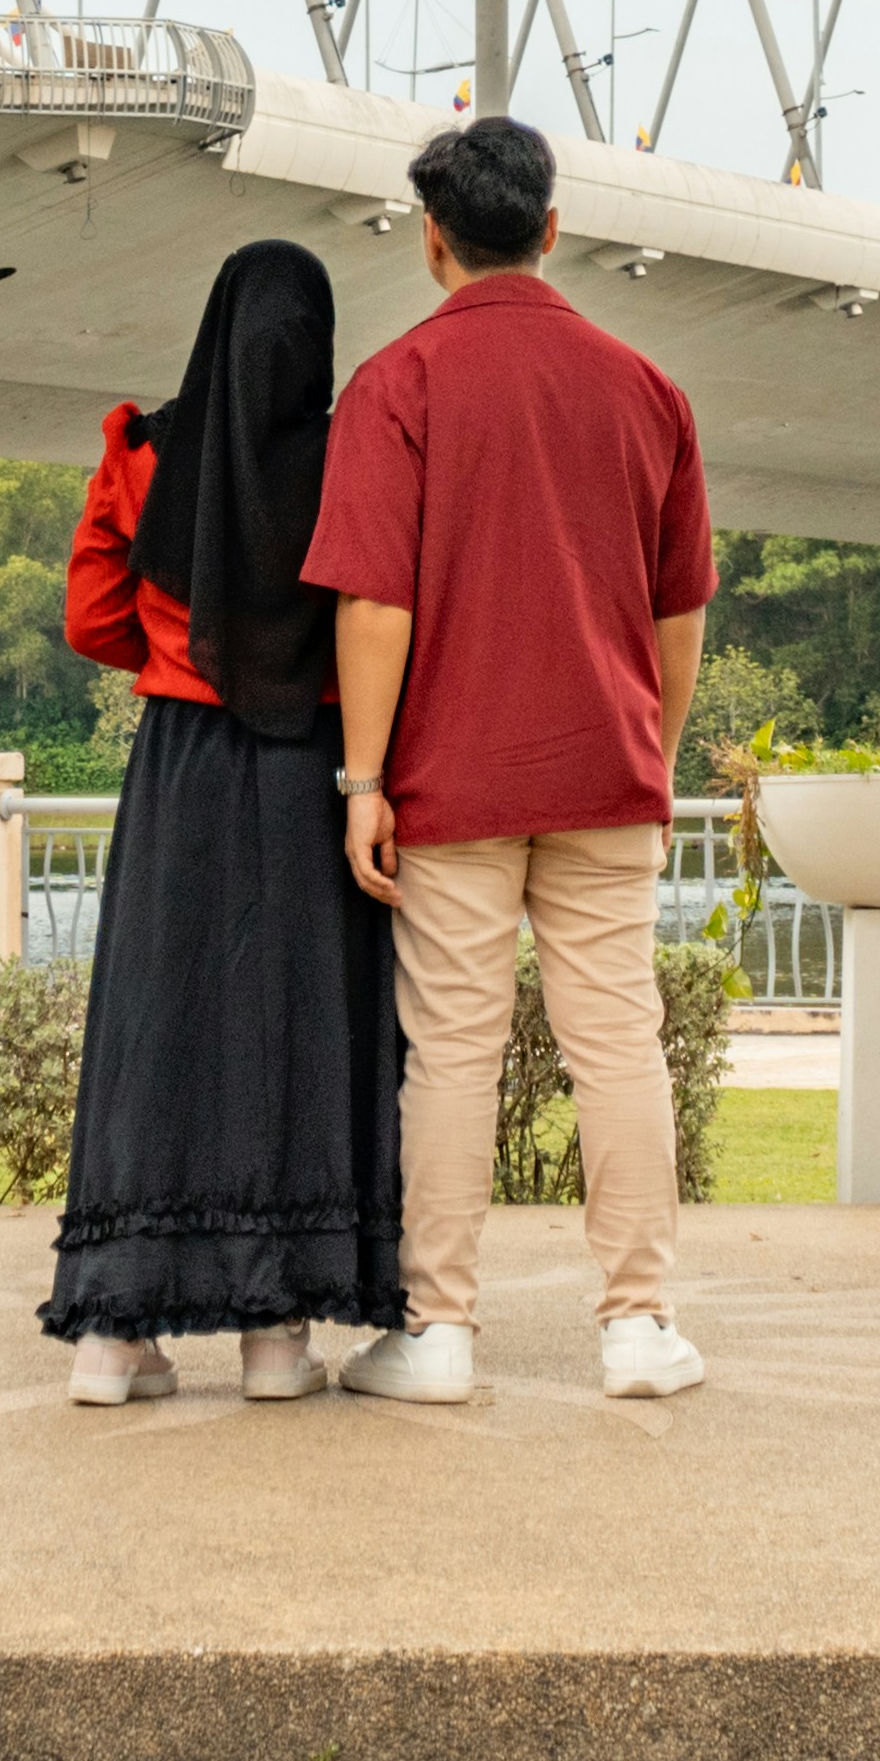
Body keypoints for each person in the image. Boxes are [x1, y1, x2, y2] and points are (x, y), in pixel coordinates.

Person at [305, 115, 716, 1407]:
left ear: (431, 241)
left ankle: (438, 1333)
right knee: (621, 1048)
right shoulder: (648, 390)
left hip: (452, 780)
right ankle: (639, 1327)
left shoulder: (398, 382)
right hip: (606, 770)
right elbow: (677, 612)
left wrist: (364, 779)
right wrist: (651, 746)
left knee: (453, 1056)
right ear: (552, 227)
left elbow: (375, 604)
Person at [41, 237, 402, 1406]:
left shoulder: (145, 451)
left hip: (183, 770)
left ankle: (113, 1337)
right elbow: (381, 608)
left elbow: (94, 615)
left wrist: (175, 640)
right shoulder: (355, 454)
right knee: (298, 1024)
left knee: (163, 1024)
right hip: (316, 773)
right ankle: (277, 1340)